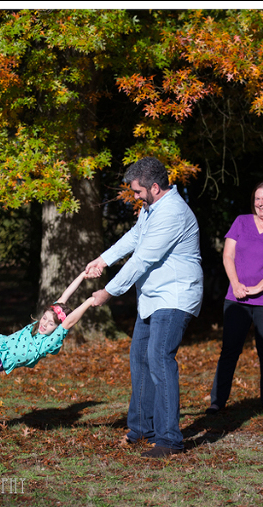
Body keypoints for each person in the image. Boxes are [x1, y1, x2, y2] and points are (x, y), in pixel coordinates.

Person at [85, 157, 203, 459]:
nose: (135, 197)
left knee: (159, 357)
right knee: (139, 357)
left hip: (175, 296)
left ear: (154, 186)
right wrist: (103, 259)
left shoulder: (173, 213)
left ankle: (169, 440)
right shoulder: (152, 209)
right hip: (152, 297)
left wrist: (108, 292)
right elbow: (134, 238)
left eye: (138, 191)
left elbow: (142, 259)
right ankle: (141, 430)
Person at [206, 180, 263, 415]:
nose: (260, 203)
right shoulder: (241, 222)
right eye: (257, 198)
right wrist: (236, 284)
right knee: (230, 350)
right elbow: (228, 256)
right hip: (237, 298)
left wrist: (257, 288)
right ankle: (217, 402)